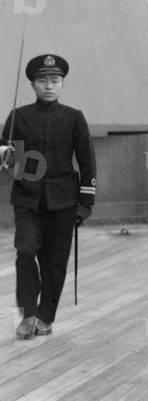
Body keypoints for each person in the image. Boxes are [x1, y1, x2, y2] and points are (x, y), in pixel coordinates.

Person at [1, 54, 96, 340]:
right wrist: (7, 157)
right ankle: (28, 314)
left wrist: (86, 202)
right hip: (27, 200)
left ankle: (45, 316)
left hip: (63, 202)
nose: (49, 86)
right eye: (42, 81)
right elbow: (9, 162)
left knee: (55, 262)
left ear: (62, 84)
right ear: (33, 85)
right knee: (25, 251)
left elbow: (87, 161)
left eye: (55, 80)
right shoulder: (19, 116)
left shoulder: (74, 118)